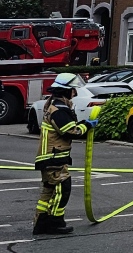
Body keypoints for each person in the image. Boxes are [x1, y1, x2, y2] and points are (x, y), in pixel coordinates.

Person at [33, 73, 95, 235]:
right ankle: (55, 223)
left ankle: (40, 222)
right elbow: (70, 131)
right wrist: (86, 126)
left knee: (48, 191)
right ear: (66, 91)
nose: (75, 93)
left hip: (49, 157)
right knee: (63, 188)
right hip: (54, 158)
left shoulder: (54, 105)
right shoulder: (59, 109)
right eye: (73, 90)